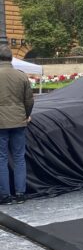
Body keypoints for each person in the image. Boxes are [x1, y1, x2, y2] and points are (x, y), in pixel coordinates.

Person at [0, 45, 34, 205]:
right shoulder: (21, 76)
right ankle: (20, 194)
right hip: (19, 121)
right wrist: (26, 116)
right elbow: (29, 100)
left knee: (2, 158)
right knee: (19, 158)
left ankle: (5, 195)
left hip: (1, 123)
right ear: (11, 58)